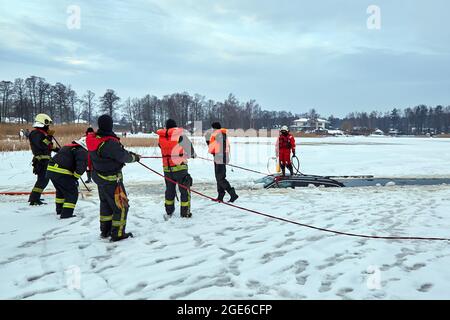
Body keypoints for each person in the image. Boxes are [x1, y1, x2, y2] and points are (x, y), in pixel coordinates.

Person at [87, 115, 140, 242]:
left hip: (100, 177)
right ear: (110, 125)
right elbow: (122, 156)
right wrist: (135, 157)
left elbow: (117, 153)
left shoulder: (96, 139)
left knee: (106, 205)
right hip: (111, 180)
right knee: (121, 206)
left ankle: (105, 231)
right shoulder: (109, 142)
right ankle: (118, 233)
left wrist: (128, 154)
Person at [157, 119, 196, 220]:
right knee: (184, 191)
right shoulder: (180, 136)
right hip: (180, 169)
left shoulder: (161, 138)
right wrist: (192, 155)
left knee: (169, 190)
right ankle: (185, 213)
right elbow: (190, 150)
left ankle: (169, 211)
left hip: (167, 169)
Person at [46, 137, 88, 219]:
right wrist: (75, 178)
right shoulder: (82, 151)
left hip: (51, 171)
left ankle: (59, 210)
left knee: (60, 191)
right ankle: (66, 214)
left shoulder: (68, 147)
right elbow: (81, 168)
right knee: (72, 193)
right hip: (62, 172)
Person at [28, 114, 60, 205]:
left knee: (42, 180)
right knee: (43, 180)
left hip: (45, 160)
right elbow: (42, 145)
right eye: (47, 125)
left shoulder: (42, 133)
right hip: (41, 161)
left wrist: (61, 151)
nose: (48, 127)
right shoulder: (35, 133)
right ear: (42, 124)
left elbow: (50, 146)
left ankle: (35, 197)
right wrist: (49, 137)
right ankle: (34, 199)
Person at [205, 122, 238, 203]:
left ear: (215, 128)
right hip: (219, 157)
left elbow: (215, 148)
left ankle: (233, 194)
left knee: (220, 178)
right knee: (219, 178)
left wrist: (208, 141)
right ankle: (220, 196)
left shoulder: (219, 135)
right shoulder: (220, 134)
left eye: (213, 128)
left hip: (219, 158)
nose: (212, 130)